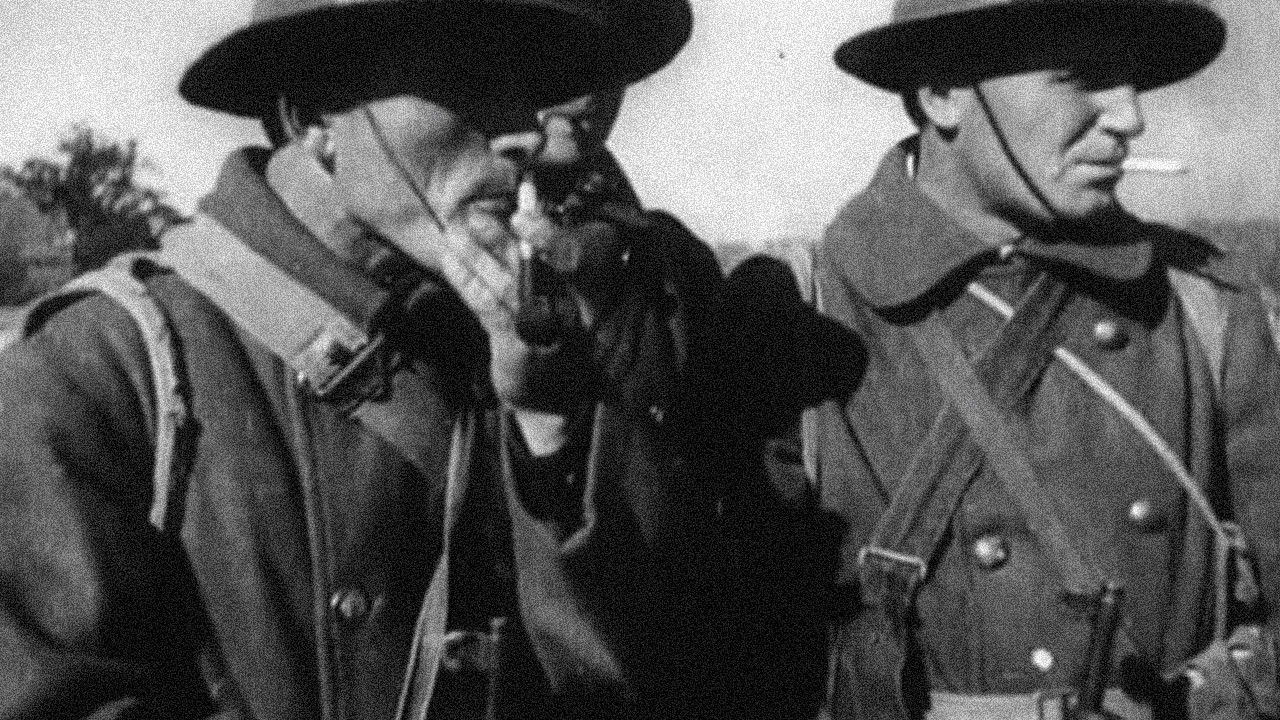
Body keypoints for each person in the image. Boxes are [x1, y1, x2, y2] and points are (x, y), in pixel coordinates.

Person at [0, 0, 824, 717]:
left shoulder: (505, 339)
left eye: (527, 87)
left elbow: (648, 679)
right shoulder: (95, 376)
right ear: (316, 115)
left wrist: (551, 431)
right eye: (467, 79)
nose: (525, 133)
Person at [807, 0, 1280, 718]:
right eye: (1080, 77)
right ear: (942, 92)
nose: (1129, 117)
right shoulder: (808, 316)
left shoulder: (1204, 306)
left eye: (1130, 80)